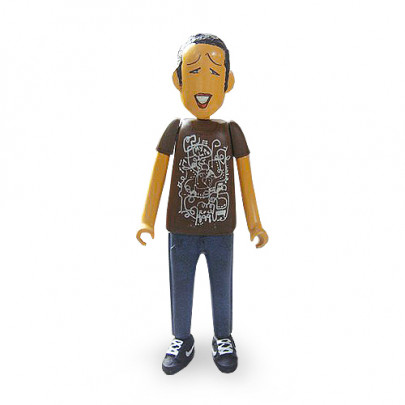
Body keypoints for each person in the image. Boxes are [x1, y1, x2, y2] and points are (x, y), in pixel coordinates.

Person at [137, 33, 268, 375]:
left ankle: (223, 336)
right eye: (194, 71)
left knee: (222, 285)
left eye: (213, 73)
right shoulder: (175, 129)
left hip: (221, 229)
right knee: (180, 285)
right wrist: (147, 219)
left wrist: (255, 223)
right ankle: (182, 338)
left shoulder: (232, 131)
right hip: (180, 229)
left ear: (228, 82)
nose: (203, 83)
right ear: (178, 80)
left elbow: (246, 180)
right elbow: (158, 175)